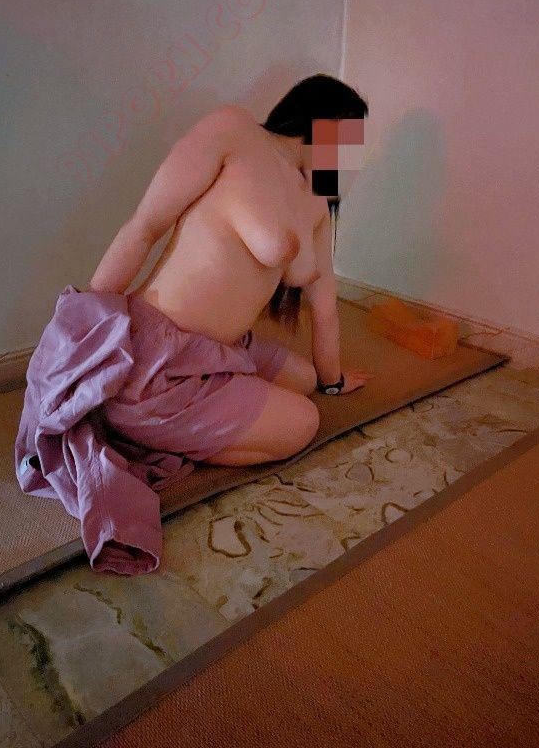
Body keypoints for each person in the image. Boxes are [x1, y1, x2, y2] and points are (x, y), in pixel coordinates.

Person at [88, 73, 374, 468]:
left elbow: (325, 309)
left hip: (221, 349)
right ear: (327, 122)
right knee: (303, 423)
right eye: (348, 141)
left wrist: (333, 382)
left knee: (306, 379)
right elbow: (145, 226)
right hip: (159, 354)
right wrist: (85, 337)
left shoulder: (318, 205)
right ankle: (139, 422)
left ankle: (192, 413)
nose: (345, 159)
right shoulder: (234, 130)